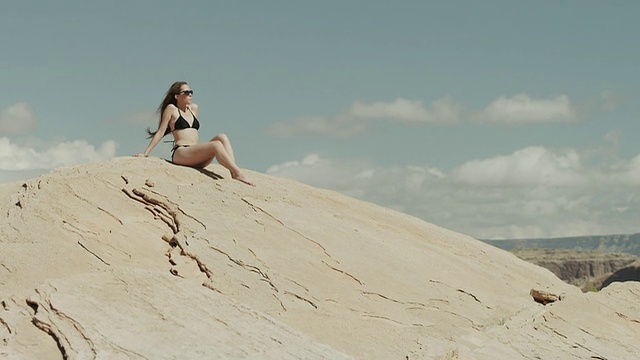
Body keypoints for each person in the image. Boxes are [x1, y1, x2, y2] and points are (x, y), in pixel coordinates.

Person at [134, 81, 254, 186]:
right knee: (216, 144)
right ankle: (237, 173)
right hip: (182, 153)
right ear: (177, 96)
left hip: (195, 154)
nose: (190, 94)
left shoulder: (194, 108)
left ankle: (233, 170)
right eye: (186, 92)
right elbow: (160, 132)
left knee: (222, 137)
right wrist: (145, 154)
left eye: (191, 91)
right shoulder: (171, 109)